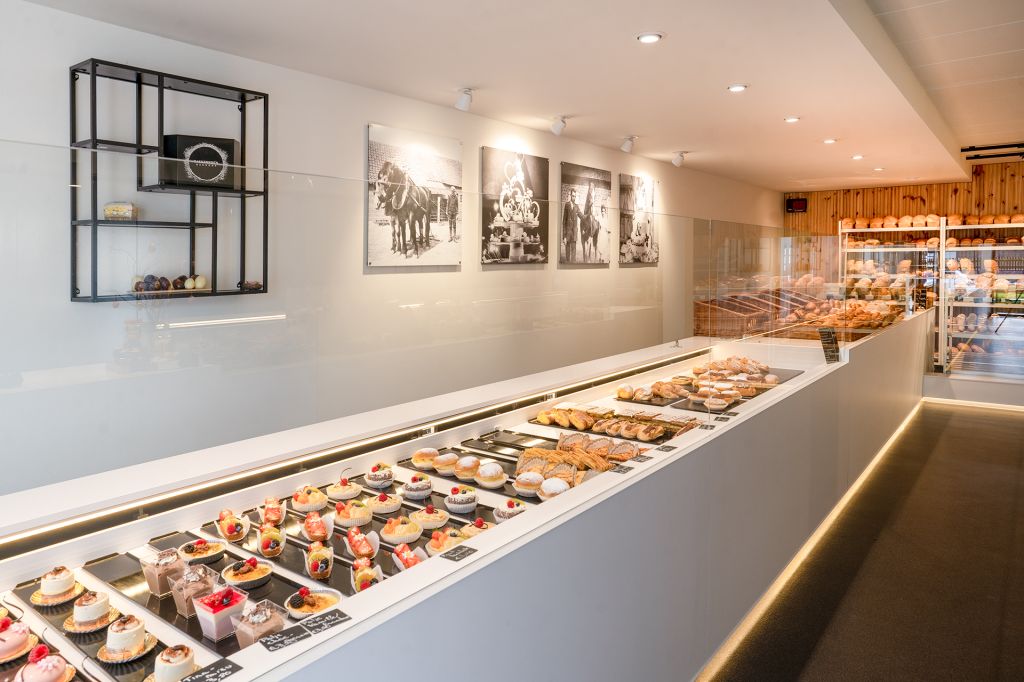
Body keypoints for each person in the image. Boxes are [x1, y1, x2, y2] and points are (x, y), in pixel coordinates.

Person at [562, 188, 583, 262]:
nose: (574, 197)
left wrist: (587, 216)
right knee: (567, 252)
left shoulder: (576, 206)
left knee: (573, 253)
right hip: (568, 233)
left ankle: (573, 265)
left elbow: (581, 216)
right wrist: (564, 236)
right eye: (573, 196)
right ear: (570, 195)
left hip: (574, 233)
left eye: (575, 196)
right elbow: (564, 221)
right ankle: (567, 264)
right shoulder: (567, 205)